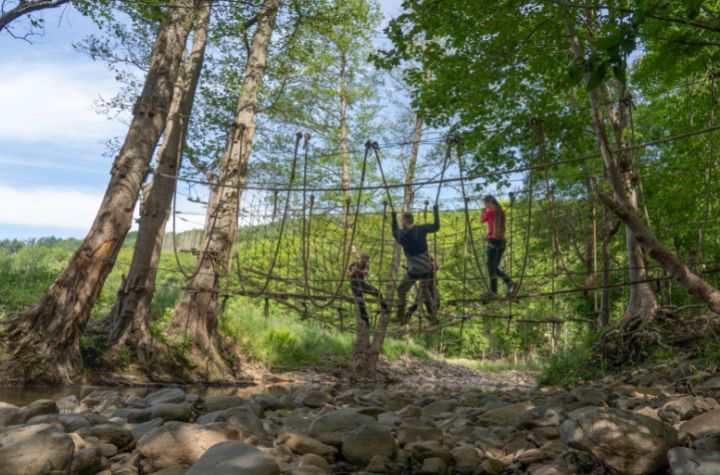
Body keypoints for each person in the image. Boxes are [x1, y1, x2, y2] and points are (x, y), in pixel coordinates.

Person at [392, 205, 441, 325]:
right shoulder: (421, 229)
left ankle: (400, 315)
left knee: (402, 290)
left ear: (404, 221)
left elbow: (394, 232)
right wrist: (435, 211)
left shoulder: (402, 235)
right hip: (425, 269)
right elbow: (436, 226)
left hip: (413, 270)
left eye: (401, 220)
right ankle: (431, 314)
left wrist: (393, 219)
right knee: (424, 292)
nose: (400, 222)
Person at [480, 195, 516, 302]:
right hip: (501, 243)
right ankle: (510, 283)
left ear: (489, 202)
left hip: (493, 242)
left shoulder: (490, 212)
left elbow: (481, 220)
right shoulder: (501, 212)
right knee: (494, 268)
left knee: (492, 269)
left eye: (485, 203)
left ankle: (493, 292)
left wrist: (482, 212)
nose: (485, 206)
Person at [348, 252, 387, 326]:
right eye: (363, 261)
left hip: (362, 285)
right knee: (361, 303)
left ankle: (385, 307)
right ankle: (366, 322)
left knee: (377, 292)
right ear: (360, 259)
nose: (363, 263)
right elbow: (348, 275)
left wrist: (365, 272)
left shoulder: (366, 266)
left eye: (365, 261)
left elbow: (366, 274)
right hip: (355, 286)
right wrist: (353, 272)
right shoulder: (353, 265)